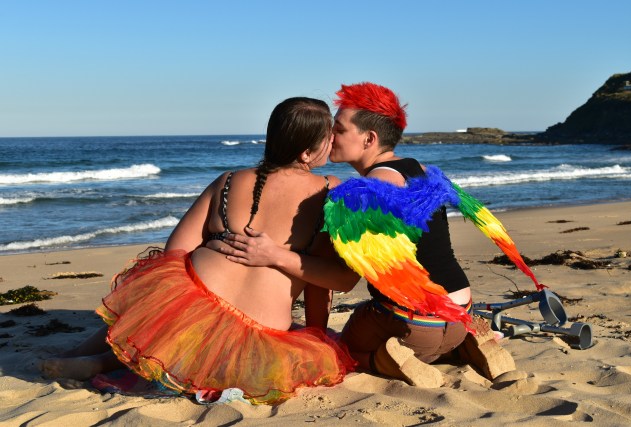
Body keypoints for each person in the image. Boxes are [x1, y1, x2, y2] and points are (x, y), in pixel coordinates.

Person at [40, 97, 358, 405]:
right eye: (328, 138)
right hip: (259, 336)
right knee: (218, 349)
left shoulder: (230, 180)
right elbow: (326, 280)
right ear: (306, 152)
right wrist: (317, 333)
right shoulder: (332, 191)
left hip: (192, 310)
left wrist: (213, 253)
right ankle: (97, 361)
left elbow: (175, 250)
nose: (332, 144)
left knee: (158, 306)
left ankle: (85, 358)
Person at [218, 83, 485, 388]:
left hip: (415, 324)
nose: (328, 136)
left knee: (343, 349)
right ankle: (464, 347)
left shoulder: (362, 193)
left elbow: (344, 280)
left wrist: (274, 254)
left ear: (369, 139)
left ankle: (386, 359)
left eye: (339, 129)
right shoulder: (424, 171)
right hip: (461, 315)